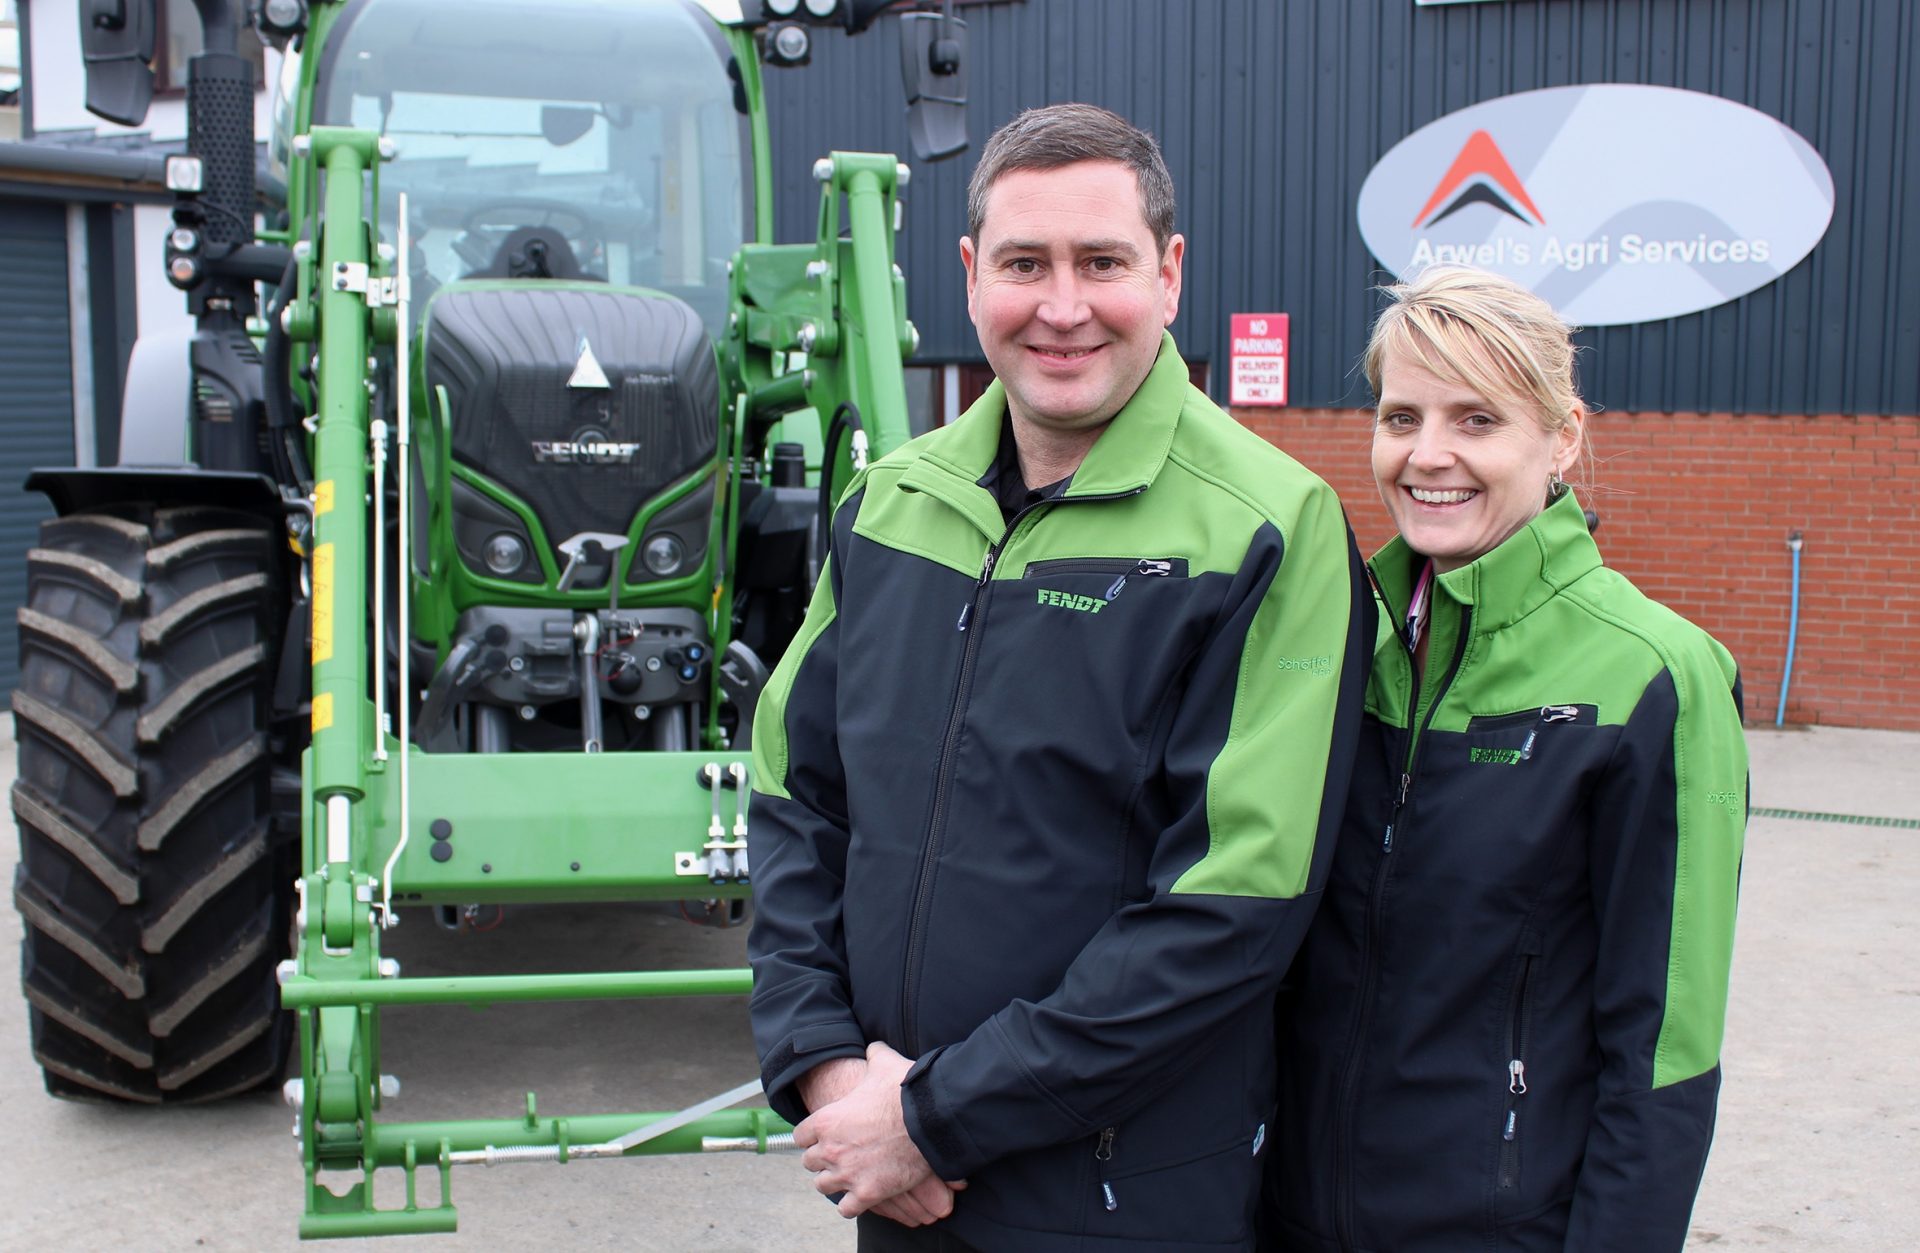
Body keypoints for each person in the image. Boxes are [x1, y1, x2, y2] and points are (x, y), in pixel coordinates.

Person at [746, 103, 1371, 1252]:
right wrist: (829, 1072)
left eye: (1104, 262)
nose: (1064, 305)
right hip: (899, 1180)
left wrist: (939, 1115)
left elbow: (1233, 907)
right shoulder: (893, 504)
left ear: (1171, 275)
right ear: (973, 274)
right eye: (1026, 263)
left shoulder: (1270, 529)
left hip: (1117, 1200)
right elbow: (796, 800)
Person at [1265, 266, 1748, 1251]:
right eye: (1401, 417)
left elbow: (1664, 1045)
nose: (1428, 455)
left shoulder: (1655, 674)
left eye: (1477, 420)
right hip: (1290, 1217)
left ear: (1562, 436)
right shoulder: (1328, 642)